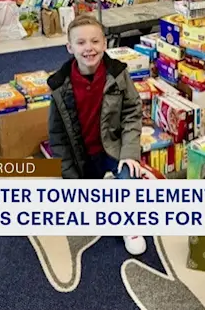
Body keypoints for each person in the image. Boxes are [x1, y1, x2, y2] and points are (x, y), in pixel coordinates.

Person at [47, 14, 147, 255]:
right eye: (81, 43)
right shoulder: (59, 86)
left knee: (130, 182)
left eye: (95, 41)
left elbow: (133, 112)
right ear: (70, 47)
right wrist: (68, 176)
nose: (89, 48)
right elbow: (57, 135)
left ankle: (129, 223)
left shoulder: (118, 74)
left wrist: (130, 153)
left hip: (114, 150)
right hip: (82, 157)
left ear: (104, 44)